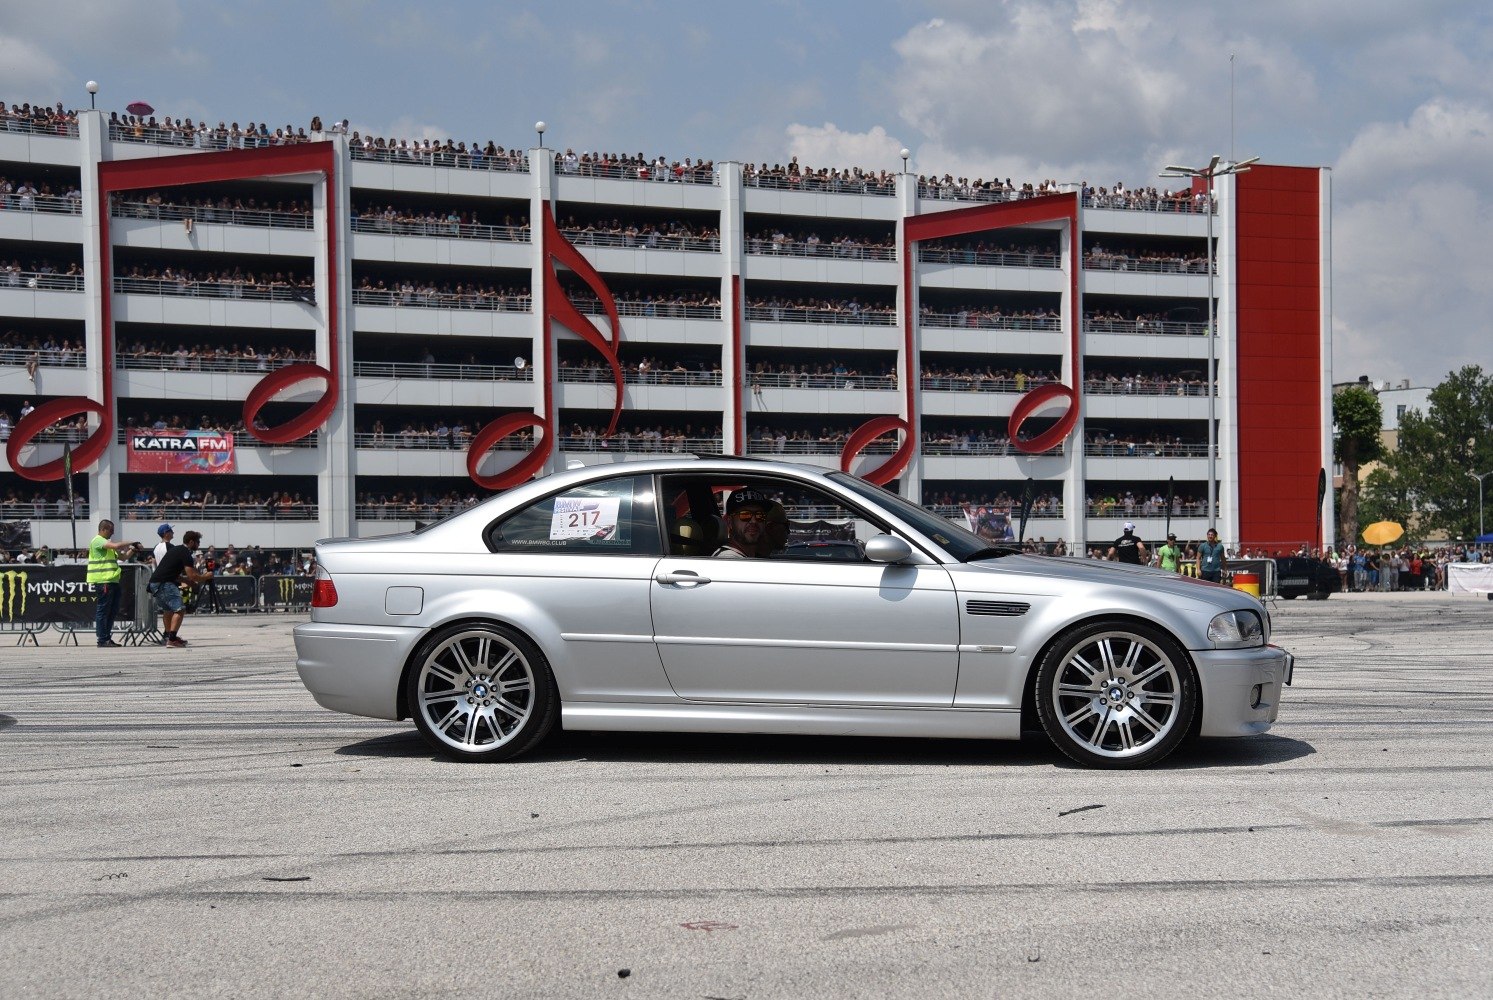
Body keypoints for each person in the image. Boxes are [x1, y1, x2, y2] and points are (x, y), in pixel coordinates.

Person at [148, 529, 212, 648]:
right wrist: (205, 576)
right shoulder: (185, 553)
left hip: (155, 583)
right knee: (180, 609)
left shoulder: (176, 549)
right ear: (191, 542)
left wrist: (187, 582)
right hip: (164, 583)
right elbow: (192, 575)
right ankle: (172, 640)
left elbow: (174, 574)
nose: (198, 545)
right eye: (198, 542)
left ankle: (169, 636)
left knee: (168, 610)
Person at [88, 518, 142, 647]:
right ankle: (102, 639)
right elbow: (117, 546)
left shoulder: (107, 545)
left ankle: (106, 638)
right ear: (103, 529)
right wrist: (132, 542)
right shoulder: (98, 541)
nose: (112, 533)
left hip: (111, 580)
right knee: (103, 610)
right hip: (103, 581)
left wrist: (133, 550)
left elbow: (123, 557)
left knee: (111, 611)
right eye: (111, 530)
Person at [713, 488, 772, 558]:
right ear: (730, 522)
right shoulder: (728, 559)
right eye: (745, 515)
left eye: (760, 515)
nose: (754, 521)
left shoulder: (751, 557)